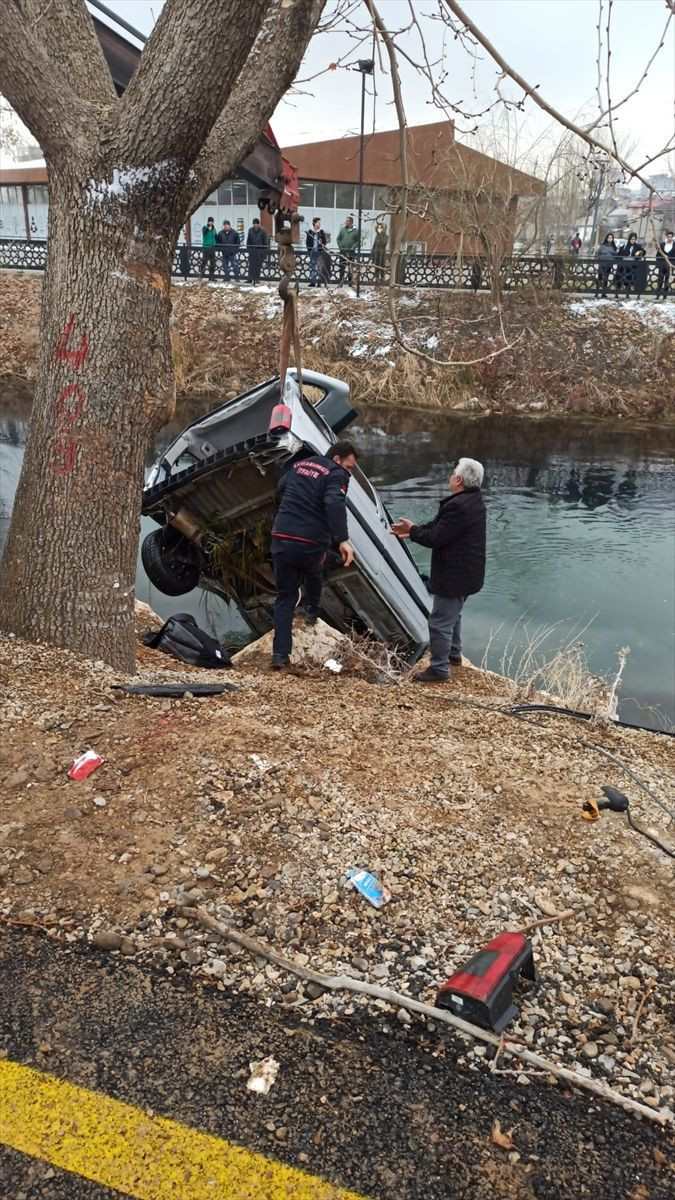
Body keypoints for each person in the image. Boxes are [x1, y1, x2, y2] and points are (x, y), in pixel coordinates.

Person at [391, 458, 486, 684]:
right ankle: (453, 654)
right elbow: (440, 527)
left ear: (459, 479)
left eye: (453, 473)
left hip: (454, 576)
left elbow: (436, 538)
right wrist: (415, 530)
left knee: (439, 622)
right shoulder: (473, 500)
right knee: (453, 615)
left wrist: (414, 532)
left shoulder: (457, 505)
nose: (450, 476)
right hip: (469, 573)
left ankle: (439, 669)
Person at [270, 441, 358, 670]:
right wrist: (342, 539)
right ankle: (312, 611)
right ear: (337, 459)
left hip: (281, 536)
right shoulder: (336, 473)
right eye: (350, 467)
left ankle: (280, 655)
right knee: (314, 569)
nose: (349, 472)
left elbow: (281, 488)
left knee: (285, 597)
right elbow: (333, 501)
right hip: (310, 540)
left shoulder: (301, 464)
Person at [615, 232, 643, 299]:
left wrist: (639, 252)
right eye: (631, 239)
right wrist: (617, 251)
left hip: (631, 266)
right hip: (622, 265)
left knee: (629, 279)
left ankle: (627, 294)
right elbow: (618, 254)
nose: (632, 240)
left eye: (634, 239)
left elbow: (643, 252)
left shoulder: (637, 246)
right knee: (619, 279)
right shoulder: (624, 245)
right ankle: (616, 293)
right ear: (629, 239)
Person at [337, 216, 360, 285]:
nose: (345, 222)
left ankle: (350, 282)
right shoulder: (342, 230)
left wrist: (353, 247)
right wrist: (340, 247)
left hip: (351, 252)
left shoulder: (355, 231)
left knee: (350, 268)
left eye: (347, 221)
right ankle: (341, 282)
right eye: (346, 221)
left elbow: (358, 241)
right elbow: (338, 239)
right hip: (343, 252)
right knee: (342, 267)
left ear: (350, 222)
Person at [306, 217, 327, 286]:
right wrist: (309, 250)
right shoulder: (310, 231)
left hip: (319, 251)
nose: (319, 224)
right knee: (313, 266)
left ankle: (319, 282)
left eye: (320, 223)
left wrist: (321, 243)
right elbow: (307, 242)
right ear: (314, 223)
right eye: (318, 222)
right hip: (313, 250)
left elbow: (324, 242)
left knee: (319, 267)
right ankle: (313, 281)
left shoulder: (321, 232)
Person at [246, 218, 268, 286]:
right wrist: (248, 248)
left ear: (259, 224)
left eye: (256, 224)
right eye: (254, 224)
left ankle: (257, 278)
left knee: (258, 265)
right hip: (252, 250)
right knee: (251, 265)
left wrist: (264, 253)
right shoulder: (250, 230)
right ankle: (250, 278)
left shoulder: (263, 231)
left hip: (259, 250)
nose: (255, 225)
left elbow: (265, 242)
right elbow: (248, 240)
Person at [595, 232, 617, 298]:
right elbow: (598, 253)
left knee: (606, 279)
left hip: (609, 265)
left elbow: (615, 255)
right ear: (606, 238)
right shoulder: (602, 246)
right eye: (609, 237)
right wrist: (599, 259)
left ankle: (603, 293)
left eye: (611, 238)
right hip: (602, 264)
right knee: (600, 278)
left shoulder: (614, 247)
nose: (610, 239)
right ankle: (596, 292)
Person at [655, 230, 675, 300]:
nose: (669, 238)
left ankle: (665, 295)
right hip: (662, 265)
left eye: (671, 237)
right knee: (660, 279)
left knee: (667, 280)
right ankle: (658, 294)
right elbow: (657, 255)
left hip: (670, 265)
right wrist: (658, 263)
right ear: (666, 237)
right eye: (668, 237)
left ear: (672, 237)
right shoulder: (662, 245)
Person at [200, 216, 217, 281]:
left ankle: (211, 277)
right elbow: (204, 232)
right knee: (204, 261)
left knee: (213, 263)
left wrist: (215, 244)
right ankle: (201, 275)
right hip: (206, 247)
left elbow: (215, 237)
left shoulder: (214, 229)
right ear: (208, 222)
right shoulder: (205, 228)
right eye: (210, 221)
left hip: (212, 248)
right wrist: (208, 227)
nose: (211, 222)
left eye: (212, 221)